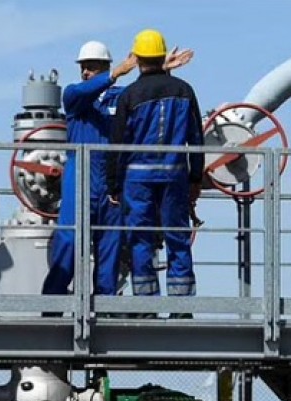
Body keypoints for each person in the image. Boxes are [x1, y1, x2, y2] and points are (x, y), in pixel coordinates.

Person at [42, 40, 194, 301]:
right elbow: (81, 94)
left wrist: (160, 72)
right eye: (84, 67)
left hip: (112, 180)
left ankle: (105, 302)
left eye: (92, 67)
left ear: (104, 66)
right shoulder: (74, 96)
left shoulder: (122, 97)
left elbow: (144, 94)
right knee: (68, 239)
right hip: (80, 179)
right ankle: (53, 302)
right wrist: (115, 74)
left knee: (110, 245)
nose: (86, 72)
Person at [106, 29, 204, 318]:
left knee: (140, 240)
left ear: (136, 59)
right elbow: (196, 138)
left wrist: (113, 185)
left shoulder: (129, 95)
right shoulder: (184, 91)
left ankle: (147, 306)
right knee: (177, 237)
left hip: (137, 178)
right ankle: (182, 307)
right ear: (162, 56)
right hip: (174, 175)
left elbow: (118, 144)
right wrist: (195, 178)